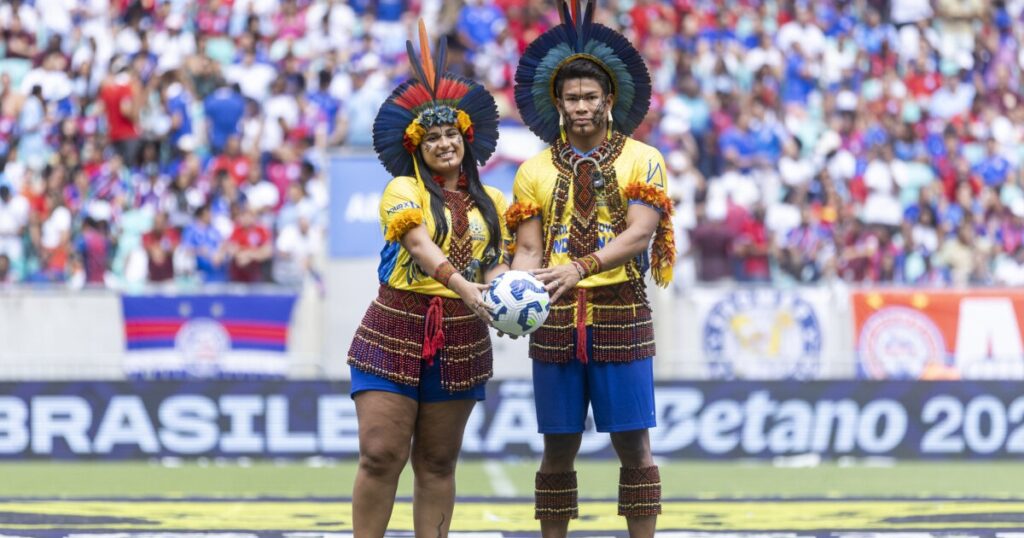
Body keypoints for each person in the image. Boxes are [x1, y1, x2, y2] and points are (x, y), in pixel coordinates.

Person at [507, 1, 673, 535]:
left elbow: (642, 234)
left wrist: (582, 267)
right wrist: (510, 291)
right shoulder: (532, 169)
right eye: (572, 98)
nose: (581, 106)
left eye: (590, 97)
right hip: (554, 316)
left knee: (634, 445)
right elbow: (530, 250)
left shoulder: (643, 158)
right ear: (558, 102)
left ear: (609, 100)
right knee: (558, 446)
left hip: (621, 307)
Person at [346, 22, 509, 536]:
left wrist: (508, 295)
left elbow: (495, 265)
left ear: (467, 140)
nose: (443, 143)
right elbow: (418, 246)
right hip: (394, 326)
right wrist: (467, 288)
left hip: (462, 335)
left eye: (451, 134)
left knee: (438, 463)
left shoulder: (496, 203)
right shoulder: (400, 189)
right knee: (379, 453)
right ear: (417, 147)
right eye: (432, 136)